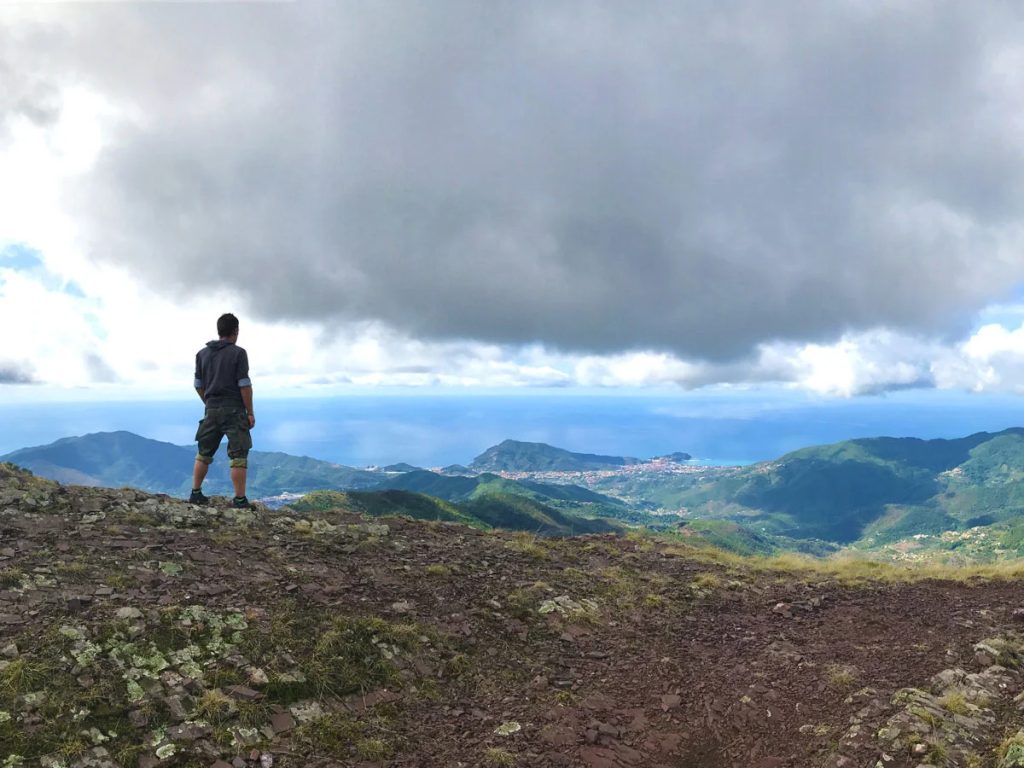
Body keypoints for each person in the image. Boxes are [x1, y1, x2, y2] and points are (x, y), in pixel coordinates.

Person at [189, 313, 255, 508]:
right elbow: (244, 385)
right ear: (236, 331)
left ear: (219, 331)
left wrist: (208, 402)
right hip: (234, 409)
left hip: (211, 409)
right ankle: (240, 499)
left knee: (204, 452)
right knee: (239, 454)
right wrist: (249, 412)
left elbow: (197, 384)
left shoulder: (202, 354)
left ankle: (195, 493)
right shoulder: (238, 353)